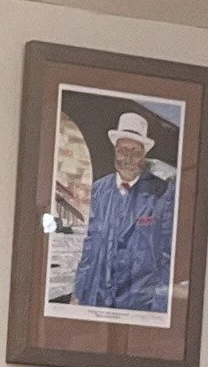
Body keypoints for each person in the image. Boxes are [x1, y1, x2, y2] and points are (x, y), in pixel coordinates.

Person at [68, 110, 178, 316]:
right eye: (123, 151)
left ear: (144, 155)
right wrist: (78, 292)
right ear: (114, 151)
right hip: (98, 300)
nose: (128, 159)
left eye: (136, 152)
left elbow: (167, 256)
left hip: (138, 305)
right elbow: (90, 246)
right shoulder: (99, 189)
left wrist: (159, 310)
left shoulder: (163, 193)